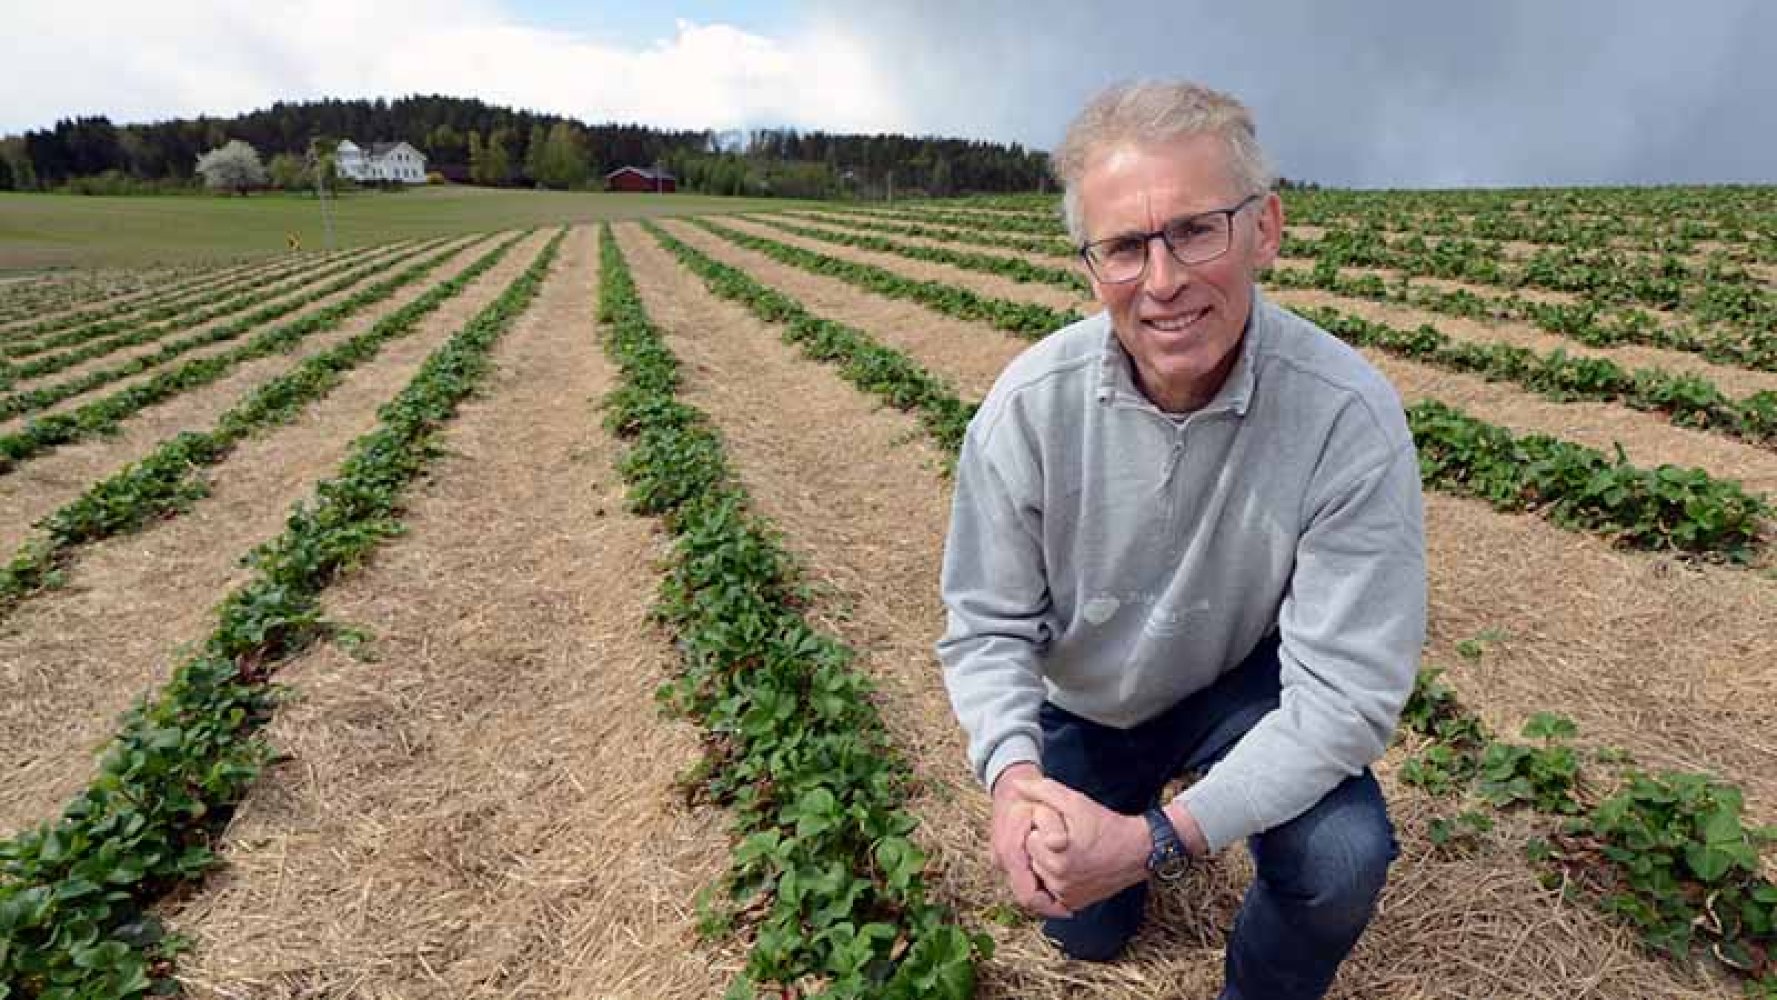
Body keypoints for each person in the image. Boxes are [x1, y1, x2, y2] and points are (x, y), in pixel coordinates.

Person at [936, 80, 1427, 1000]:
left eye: (1196, 230)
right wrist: (1014, 783)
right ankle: (1117, 812)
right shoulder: (1028, 410)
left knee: (1341, 858)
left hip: (1242, 681)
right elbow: (986, 626)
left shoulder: (1344, 414)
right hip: (1086, 699)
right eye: (1124, 247)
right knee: (1082, 929)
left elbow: (1347, 696)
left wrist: (1155, 842)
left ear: (1264, 229)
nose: (1161, 282)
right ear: (1090, 268)